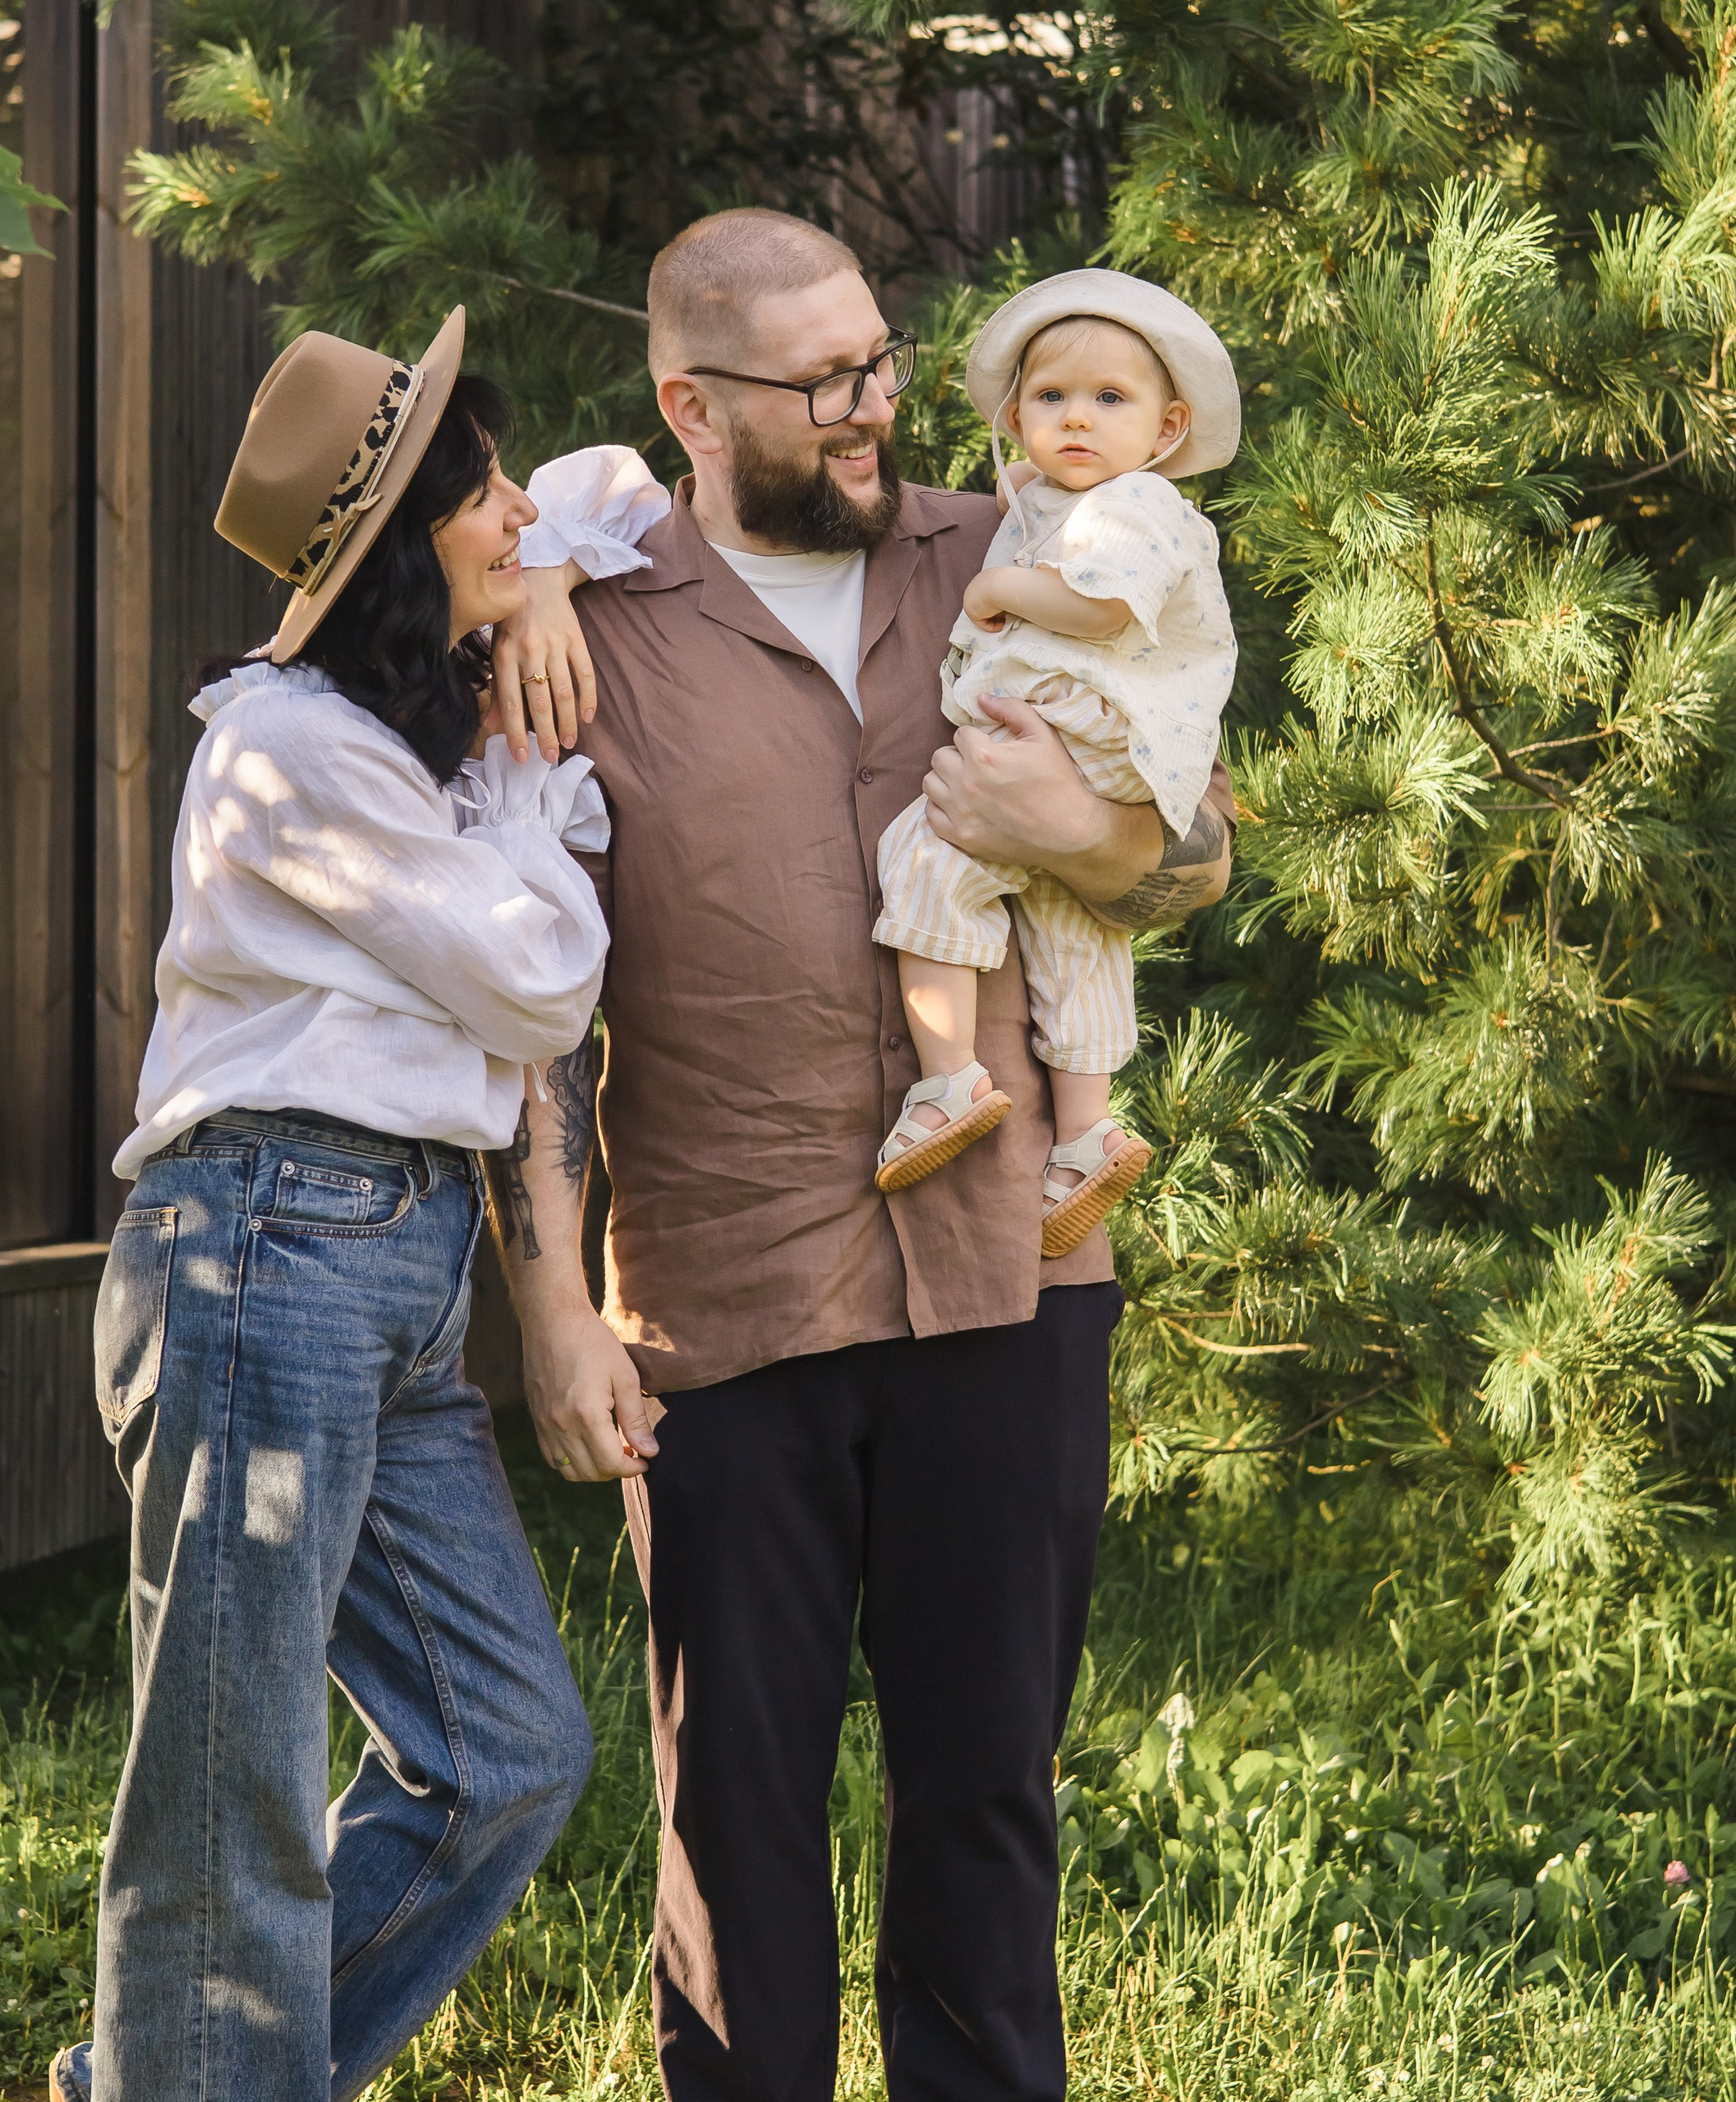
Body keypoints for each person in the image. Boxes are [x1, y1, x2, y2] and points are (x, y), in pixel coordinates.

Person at [494, 211, 1235, 2102]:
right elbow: (529, 1012)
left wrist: (1070, 817)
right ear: (689, 401)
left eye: (880, 362)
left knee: (984, 1789)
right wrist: (556, 1303)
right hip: (724, 1302)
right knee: (731, 1811)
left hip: (1008, 1276)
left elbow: (1197, 850)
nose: (870, 407)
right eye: (820, 382)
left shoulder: (1011, 551)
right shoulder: (589, 628)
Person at [50, 309, 663, 2102]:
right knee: (230, 1783)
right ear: (397, 546)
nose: (506, 501)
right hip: (261, 1241)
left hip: (384, 1268)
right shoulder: (288, 749)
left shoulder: (415, 732)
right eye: (467, 491)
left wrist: (537, 584)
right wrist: (542, 785)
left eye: (487, 471)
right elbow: (544, 980)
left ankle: (174, 2080)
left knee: (506, 1753)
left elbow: (617, 482)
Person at [871, 270, 1240, 1259]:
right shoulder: (1055, 501)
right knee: (1072, 924)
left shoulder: (1135, 506)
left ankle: (945, 1082)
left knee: (930, 853)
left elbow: (1106, 608)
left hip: (1075, 723)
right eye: (1050, 399)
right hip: (1110, 745)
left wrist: (1000, 584)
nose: (1076, 419)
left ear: (1166, 429)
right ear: (1014, 414)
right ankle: (1085, 1134)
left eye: (1109, 400)